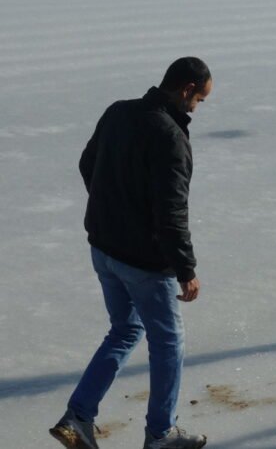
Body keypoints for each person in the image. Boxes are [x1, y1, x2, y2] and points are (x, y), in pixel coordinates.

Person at [51, 58, 212, 449]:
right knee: (168, 341)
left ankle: (79, 416)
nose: (198, 108)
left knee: (125, 330)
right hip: (143, 261)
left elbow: (88, 163)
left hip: (104, 249)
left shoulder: (119, 111)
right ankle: (161, 433)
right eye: (200, 99)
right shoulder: (170, 136)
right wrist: (185, 268)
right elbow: (172, 211)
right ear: (187, 89)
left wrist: (113, 209)